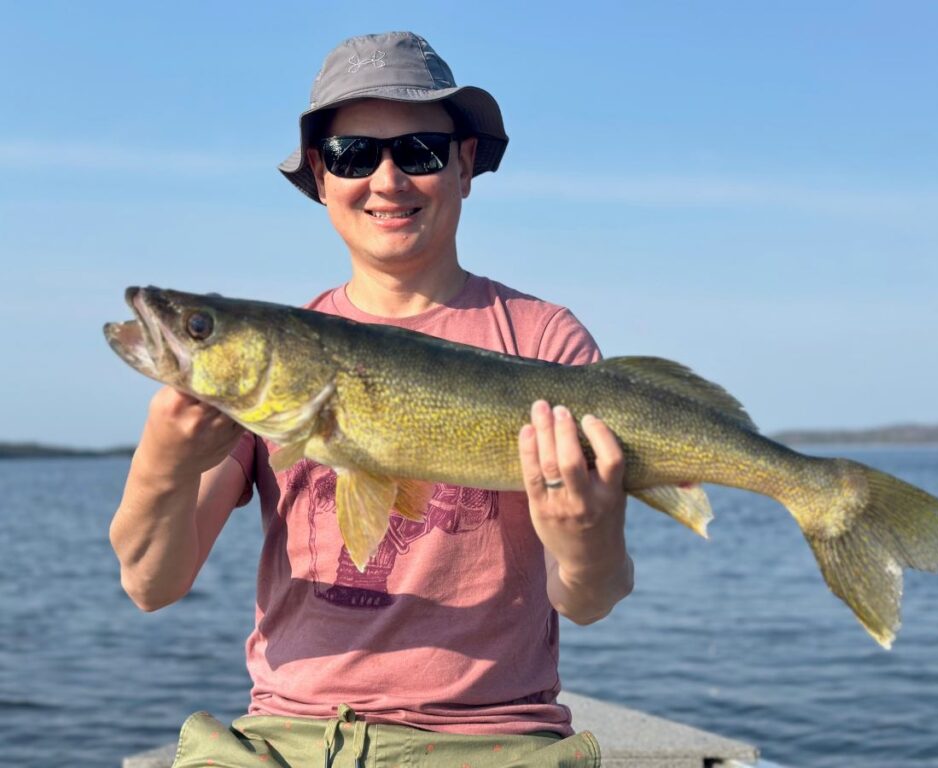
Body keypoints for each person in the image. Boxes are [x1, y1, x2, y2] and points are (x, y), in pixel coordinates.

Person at [110, 31, 633, 768]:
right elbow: (149, 586)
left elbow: (591, 598)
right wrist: (164, 462)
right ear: (322, 177)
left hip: (488, 740)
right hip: (286, 737)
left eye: (418, 151)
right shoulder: (268, 374)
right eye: (356, 155)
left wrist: (586, 535)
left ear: (465, 164)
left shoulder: (544, 340)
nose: (386, 181)